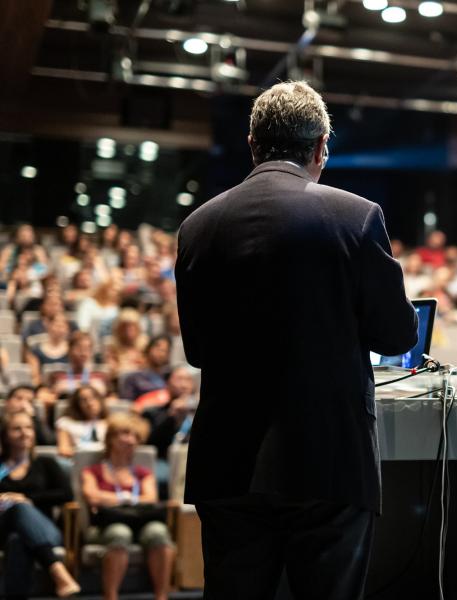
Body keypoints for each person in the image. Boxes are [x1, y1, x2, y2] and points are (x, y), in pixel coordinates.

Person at [175, 80, 419, 600]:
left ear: (252, 144)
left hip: (229, 465)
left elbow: (197, 350)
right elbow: (397, 332)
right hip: (328, 463)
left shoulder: (198, 226)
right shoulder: (356, 217)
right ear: (320, 147)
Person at [81, 412, 175, 600]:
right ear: (110, 438)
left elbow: (150, 498)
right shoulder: (93, 470)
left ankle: (162, 597)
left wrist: (114, 499)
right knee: (119, 533)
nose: (131, 440)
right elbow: (92, 496)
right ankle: (111, 596)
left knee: (159, 532)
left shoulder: (142, 472)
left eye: (135, 436)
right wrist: (130, 497)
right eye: (125, 433)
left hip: (140, 523)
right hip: (105, 525)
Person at [0, 410, 80, 599]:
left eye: (28, 427)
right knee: (16, 530)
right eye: (16, 429)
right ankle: (58, 572)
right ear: (5, 434)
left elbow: (66, 494)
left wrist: (28, 499)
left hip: (45, 529)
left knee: (18, 537)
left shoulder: (45, 463)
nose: (24, 433)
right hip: (2, 528)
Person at [56, 385, 109, 458]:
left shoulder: (110, 423)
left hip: (104, 463)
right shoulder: (66, 423)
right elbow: (64, 449)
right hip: (78, 461)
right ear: (77, 404)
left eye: (93, 398)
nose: (90, 403)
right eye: (84, 400)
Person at [119, 335, 172, 402]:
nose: (161, 353)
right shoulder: (132, 378)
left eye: (165, 350)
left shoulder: (170, 377)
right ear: (148, 349)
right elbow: (126, 405)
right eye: (158, 348)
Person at [26, 312, 70, 386]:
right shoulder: (35, 351)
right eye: (57, 325)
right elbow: (35, 377)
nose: (60, 329)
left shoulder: (73, 350)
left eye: (63, 325)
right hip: (44, 389)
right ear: (48, 325)